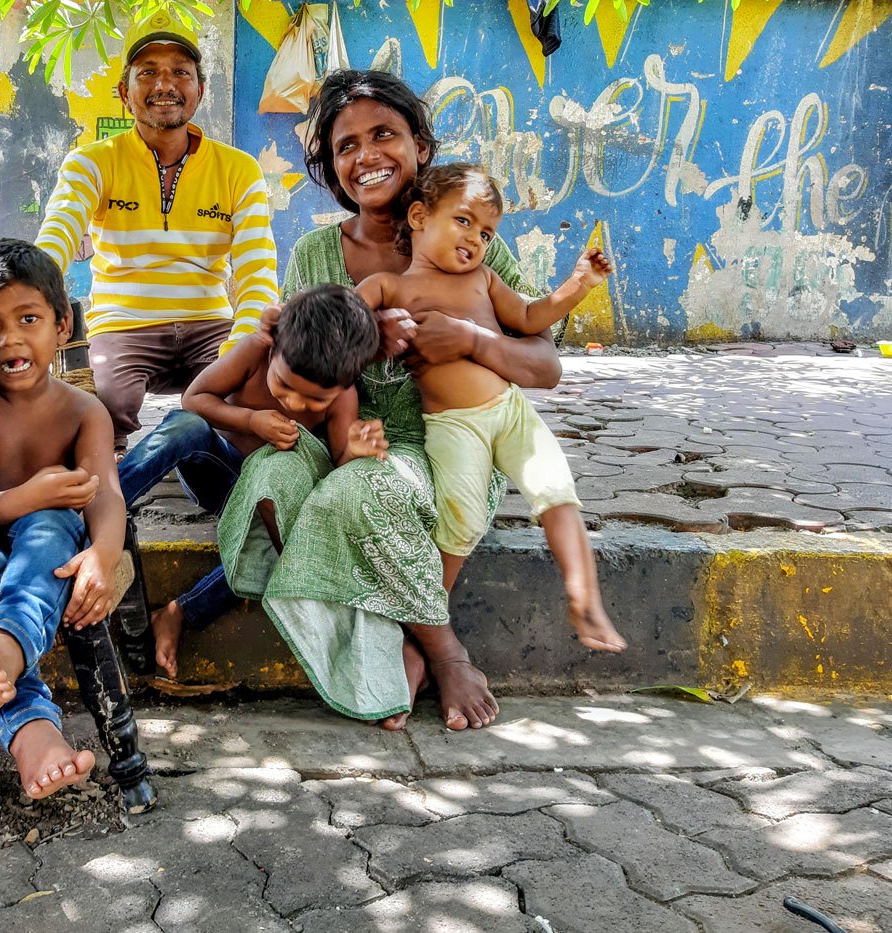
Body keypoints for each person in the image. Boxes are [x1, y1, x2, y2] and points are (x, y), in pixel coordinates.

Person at [220, 69, 564, 732]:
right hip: (345, 442)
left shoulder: (467, 240)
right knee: (271, 475)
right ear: (332, 166)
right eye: (345, 145)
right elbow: (291, 388)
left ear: (422, 147)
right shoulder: (316, 255)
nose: (366, 155)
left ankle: (440, 648)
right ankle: (388, 639)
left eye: (385, 134)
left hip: (444, 450)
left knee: (360, 491)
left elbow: (544, 364)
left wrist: (467, 339)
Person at [358, 163, 625, 653]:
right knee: (460, 522)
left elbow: (528, 317)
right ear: (418, 216)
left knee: (557, 491)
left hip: (510, 410)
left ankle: (584, 596)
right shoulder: (388, 287)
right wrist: (375, 332)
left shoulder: (484, 278)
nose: (477, 239)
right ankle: (424, 626)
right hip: (454, 425)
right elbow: (344, 325)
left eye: (486, 232)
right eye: (464, 221)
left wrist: (578, 285)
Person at [35, 10, 278, 453]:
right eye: (148, 73)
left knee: (245, 392)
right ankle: (111, 488)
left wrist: (241, 349)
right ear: (124, 93)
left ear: (200, 91)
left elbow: (257, 271)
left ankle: (207, 468)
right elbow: (59, 232)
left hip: (209, 321)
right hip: (124, 322)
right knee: (107, 403)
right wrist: (32, 294)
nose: (165, 84)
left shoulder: (238, 170)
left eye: (180, 73)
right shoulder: (91, 161)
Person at [118, 285, 385, 677]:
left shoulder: (342, 396)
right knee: (184, 426)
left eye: (314, 402)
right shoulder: (255, 349)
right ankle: (106, 501)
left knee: (287, 551)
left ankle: (180, 612)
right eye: (286, 386)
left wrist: (354, 450)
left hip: (262, 511)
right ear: (273, 347)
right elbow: (194, 398)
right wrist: (249, 419)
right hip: (220, 475)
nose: (296, 404)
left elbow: (336, 464)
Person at [0, 237, 126, 799]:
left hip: (45, 546)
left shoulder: (83, 411)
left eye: (29, 318)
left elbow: (106, 495)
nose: (11, 339)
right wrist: (20, 497)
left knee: (50, 527)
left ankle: (6, 655)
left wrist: (103, 553)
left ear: (63, 325)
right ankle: (33, 726)